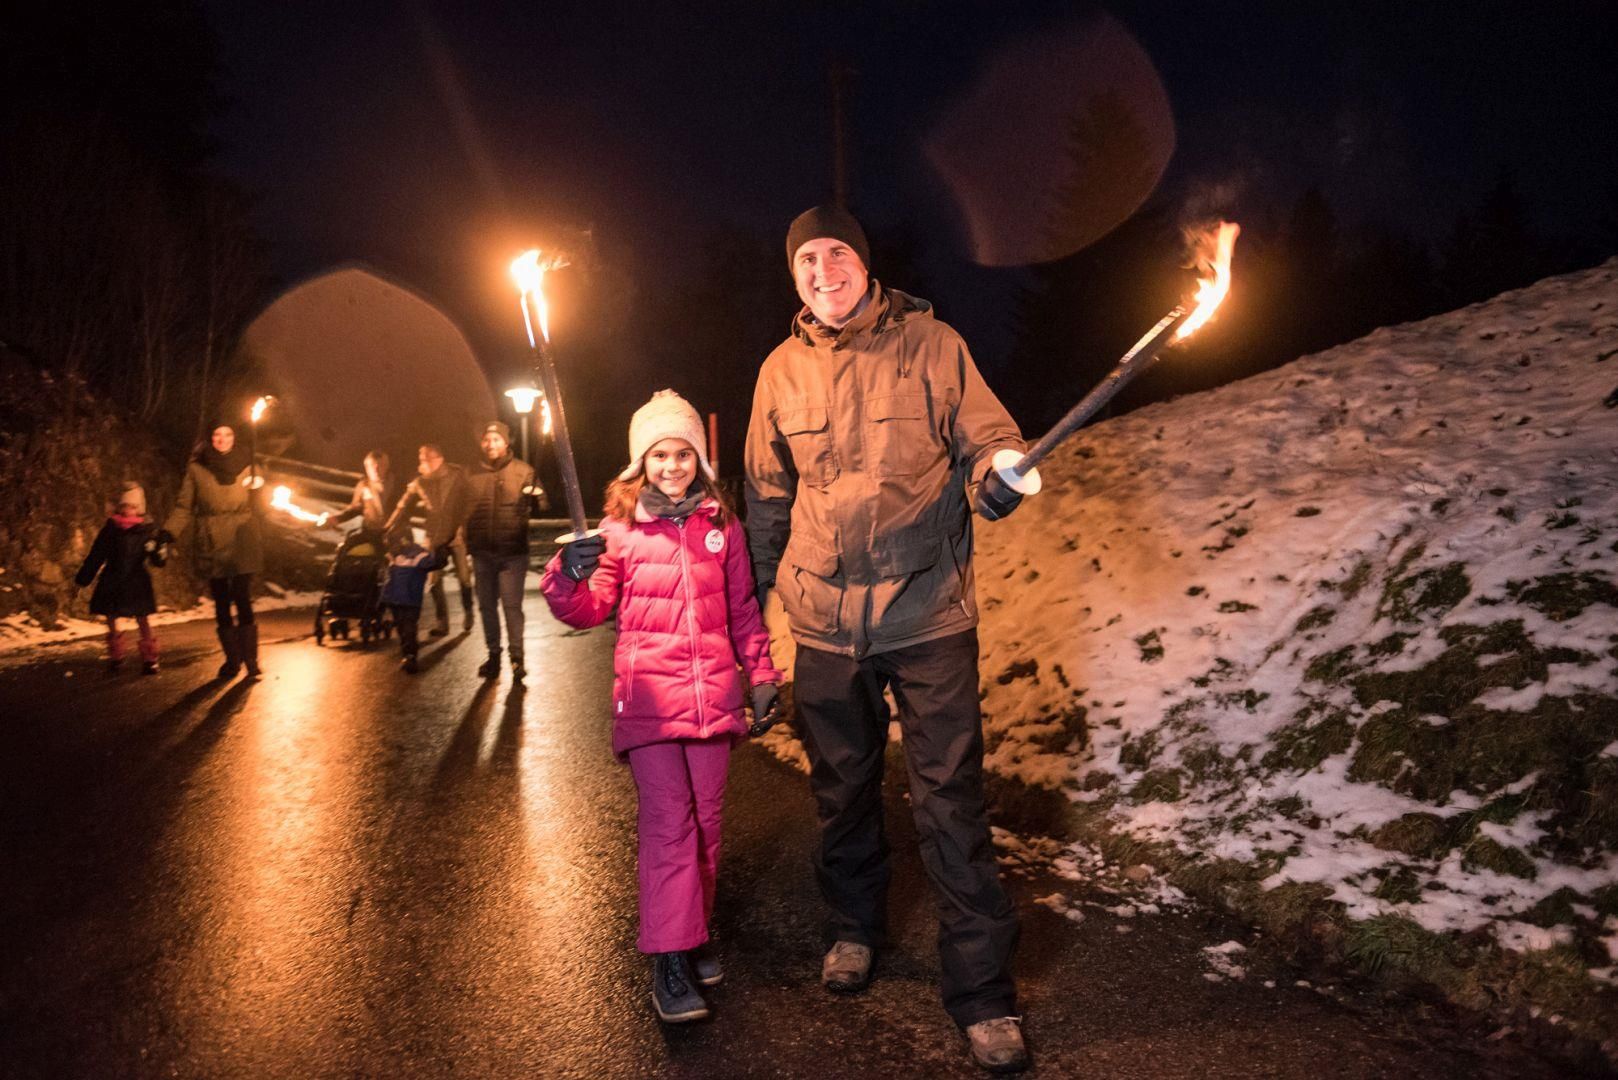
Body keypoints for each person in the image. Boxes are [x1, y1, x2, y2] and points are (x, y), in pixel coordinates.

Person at [744, 206, 1031, 1073]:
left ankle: (982, 996)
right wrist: (755, 606)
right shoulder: (779, 371)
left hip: (928, 612)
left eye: (837, 254)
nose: (822, 270)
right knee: (843, 792)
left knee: (950, 801)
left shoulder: (933, 346)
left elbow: (991, 440)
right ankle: (852, 929)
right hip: (824, 621)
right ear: (794, 277)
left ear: (865, 266)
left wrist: (999, 476)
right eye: (806, 260)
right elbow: (765, 496)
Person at [542, 390, 782, 1024]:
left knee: (706, 825)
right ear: (639, 464)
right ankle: (668, 959)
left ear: (698, 459)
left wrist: (760, 672)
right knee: (668, 828)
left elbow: (742, 610)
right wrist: (567, 572)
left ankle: (693, 929)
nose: (672, 466)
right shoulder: (618, 533)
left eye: (682, 454)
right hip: (648, 701)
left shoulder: (720, 527)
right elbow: (586, 608)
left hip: (712, 703)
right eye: (659, 455)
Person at [159, 421, 268, 681]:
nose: (222, 439)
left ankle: (250, 660)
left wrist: (260, 489)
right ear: (210, 438)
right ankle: (232, 660)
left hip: (242, 536)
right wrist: (169, 532)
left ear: (235, 437)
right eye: (217, 434)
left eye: (228, 434)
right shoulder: (197, 468)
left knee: (241, 596)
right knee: (221, 599)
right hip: (212, 538)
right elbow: (184, 506)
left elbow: (265, 503)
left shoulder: (250, 464)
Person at [463, 422, 540, 681]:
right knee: (486, 606)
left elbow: (544, 503)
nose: (491, 444)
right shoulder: (471, 474)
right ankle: (493, 655)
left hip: (512, 553)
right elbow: (463, 509)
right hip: (482, 552)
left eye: (496, 439)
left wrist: (536, 495)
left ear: (506, 442)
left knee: (511, 607)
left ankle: (517, 659)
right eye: (487, 439)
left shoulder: (524, 470)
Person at [383, 443, 474, 637]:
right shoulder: (420, 482)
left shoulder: (457, 476)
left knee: (464, 578)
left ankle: (468, 612)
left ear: (437, 459)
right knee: (434, 581)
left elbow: (468, 502)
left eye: (424, 459)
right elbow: (402, 506)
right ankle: (442, 622)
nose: (421, 462)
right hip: (434, 536)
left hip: (455, 535)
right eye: (421, 459)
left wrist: (463, 526)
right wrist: (388, 526)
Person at [75, 481, 165, 675]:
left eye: (132, 506)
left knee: (142, 618)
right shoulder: (110, 529)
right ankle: (116, 656)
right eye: (124, 505)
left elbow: (157, 560)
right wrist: (85, 576)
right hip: (113, 578)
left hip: (136, 579)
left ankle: (150, 659)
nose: (127, 510)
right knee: (111, 615)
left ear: (139, 508)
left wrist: (158, 551)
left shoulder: (147, 531)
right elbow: (97, 554)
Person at [380, 528, 447, 674]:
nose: (391, 546)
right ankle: (407, 654)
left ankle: (411, 656)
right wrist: (385, 598)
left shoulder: (419, 555)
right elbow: (388, 579)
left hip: (411, 600)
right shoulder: (393, 556)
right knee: (402, 629)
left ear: (404, 540)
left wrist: (441, 550)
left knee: (409, 628)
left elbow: (434, 563)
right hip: (395, 600)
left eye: (393, 542)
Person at [323, 449, 399, 539]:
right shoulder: (364, 485)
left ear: (386, 466)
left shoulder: (399, 484)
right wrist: (337, 519)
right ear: (366, 468)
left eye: (380, 465)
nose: (376, 470)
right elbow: (356, 508)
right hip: (371, 533)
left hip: (395, 534)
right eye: (372, 466)